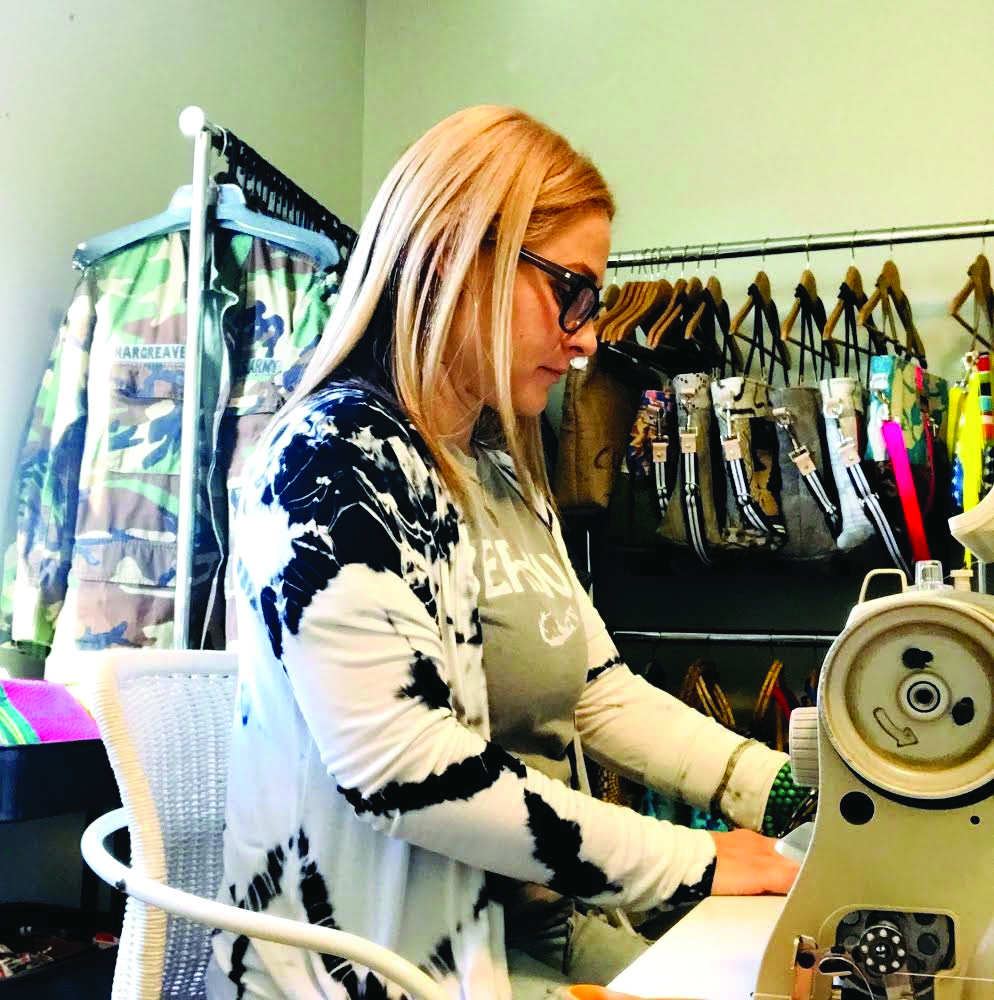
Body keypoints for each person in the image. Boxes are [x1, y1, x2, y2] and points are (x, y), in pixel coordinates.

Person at [207, 105, 801, 1000]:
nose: (588, 335)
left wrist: (781, 793)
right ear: (455, 253)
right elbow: (404, 769)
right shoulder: (334, 462)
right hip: (386, 970)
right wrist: (695, 860)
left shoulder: (499, 469)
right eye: (571, 288)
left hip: (532, 930)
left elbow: (595, 686)